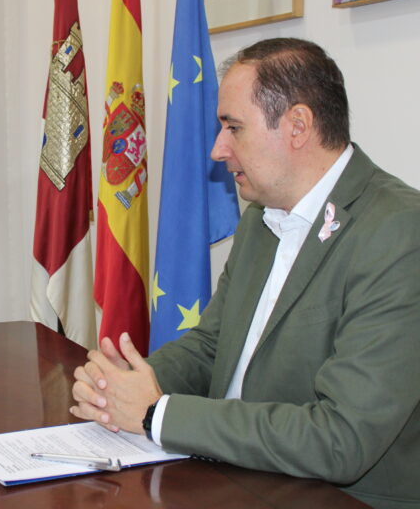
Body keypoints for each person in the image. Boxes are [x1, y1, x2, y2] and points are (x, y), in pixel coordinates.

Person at [71, 38, 420, 508]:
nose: (218, 150)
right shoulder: (263, 215)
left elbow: (343, 439)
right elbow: (215, 345)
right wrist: (125, 385)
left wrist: (158, 414)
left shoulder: (399, 233)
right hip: (233, 476)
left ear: (297, 125)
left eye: (233, 128)